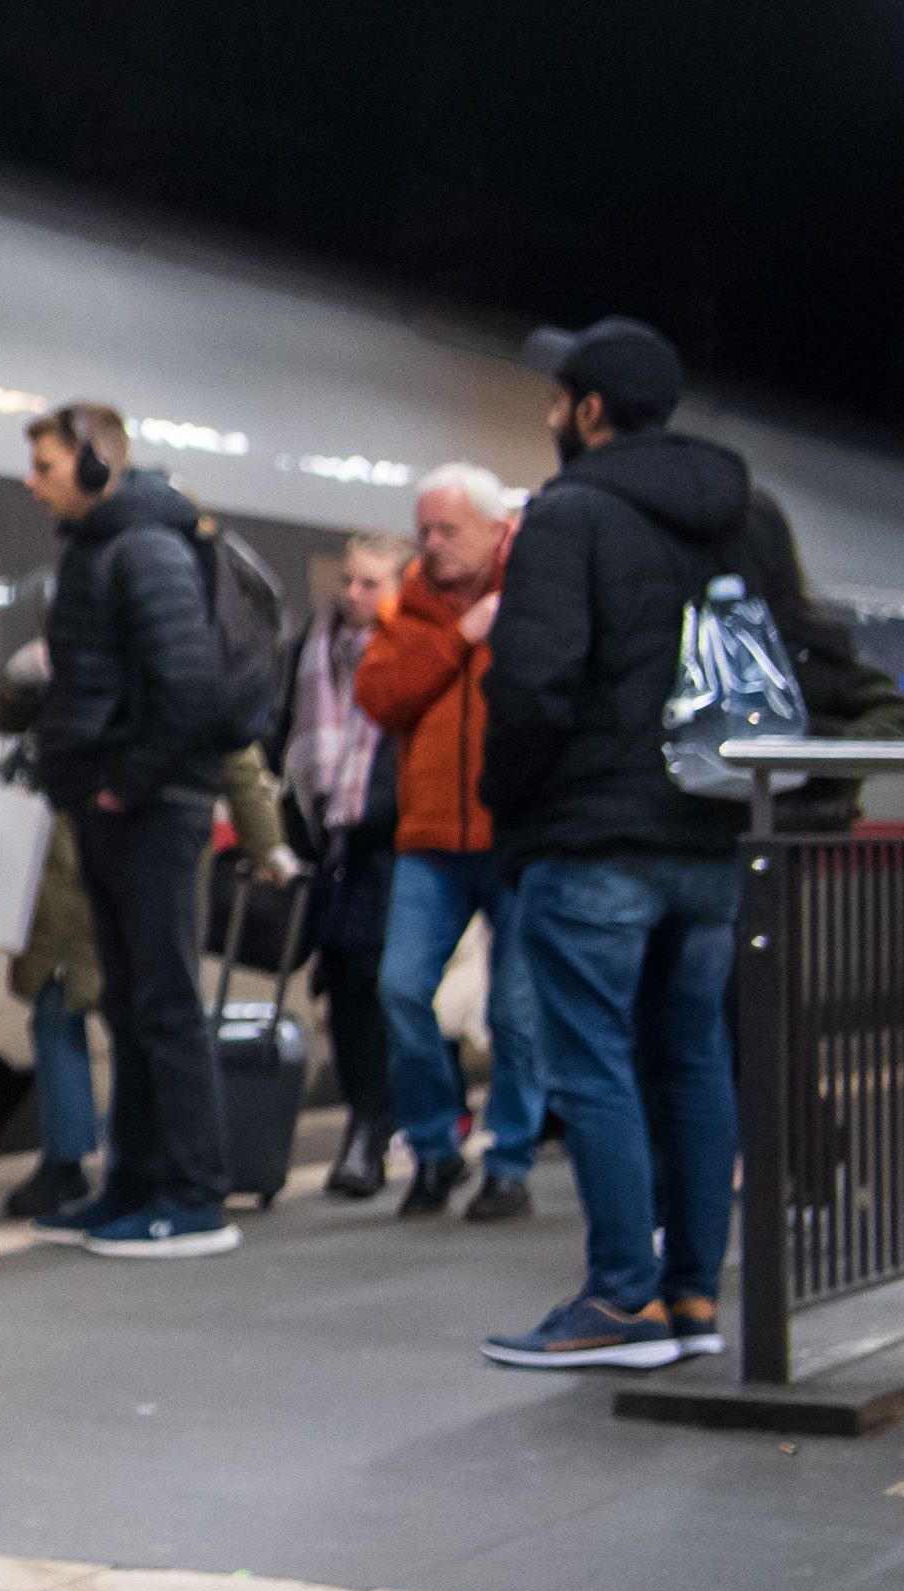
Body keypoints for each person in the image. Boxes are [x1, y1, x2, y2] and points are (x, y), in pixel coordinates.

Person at [468, 319, 795, 1370]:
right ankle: (691, 1294)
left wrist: (511, 809)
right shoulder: (744, 518)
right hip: (710, 829)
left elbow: (530, 685)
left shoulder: (570, 513)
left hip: (596, 835)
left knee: (595, 1063)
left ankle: (618, 1297)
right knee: (692, 1056)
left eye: (560, 401)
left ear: (591, 409)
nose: (554, 418)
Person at [23, 401, 241, 1258]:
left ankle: (194, 1194)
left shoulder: (146, 547)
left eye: (43, 466)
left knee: (165, 1002)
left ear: (90, 462)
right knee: (129, 1000)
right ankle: (133, 1182)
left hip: (151, 810)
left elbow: (187, 684)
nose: (32, 483)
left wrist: (127, 783)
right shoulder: (106, 546)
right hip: (116, 804)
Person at [355, 465, 544, 1222]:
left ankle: (510, 1159)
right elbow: (380, 695)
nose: (432, 546)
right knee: (402, 988)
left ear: (498, 529)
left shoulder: (537, 593)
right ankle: (434, 1145)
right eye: (424, 530)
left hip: (513, 834)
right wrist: (458, 641)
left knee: (517, 1010)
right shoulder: (414, 609)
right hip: (430, 834)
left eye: (448, 530)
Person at [283, 533, 412, 1197]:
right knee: (347, 987)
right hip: (334, 844)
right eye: (350, 580)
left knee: (389, 984)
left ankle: (390, 1125)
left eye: (372, 583)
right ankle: (371, 1124)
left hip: (397, 840)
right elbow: (286, 737)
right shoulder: (314, 649)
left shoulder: (414, 647)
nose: (354, 595)